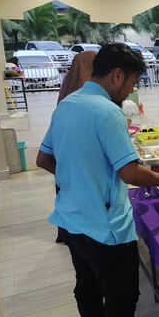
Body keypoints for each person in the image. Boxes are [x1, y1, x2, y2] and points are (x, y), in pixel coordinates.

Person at [36, 43, 159, 317]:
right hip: (106, 226)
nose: (132, 89)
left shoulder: (66, 106)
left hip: (70, 217)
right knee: (122, 295)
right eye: (132, 82)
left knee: (86, 285)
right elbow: (130, 173)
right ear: (117, 75)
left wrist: (78, 181)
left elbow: (44, 159)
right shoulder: (107, 112)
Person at [54, 50, 98, 243]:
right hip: (84, 171)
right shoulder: (89, 95)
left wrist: (67, 174)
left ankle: (66, 234)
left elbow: (42, 158)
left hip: (64, 161)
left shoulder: (67, 91)